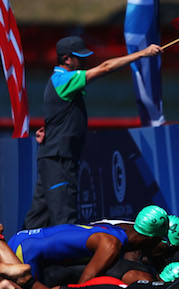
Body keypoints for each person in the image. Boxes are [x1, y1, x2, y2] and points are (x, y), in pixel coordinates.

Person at [25, 36, 163, 229]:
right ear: (66, 59)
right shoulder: (64, 79)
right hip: (59, 159)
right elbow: (105, 68)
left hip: (54, 157)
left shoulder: (62, 82)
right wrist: (142, 54)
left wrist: (47, 129)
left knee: (39, 215)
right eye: (80, 58)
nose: (85, 61)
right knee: (64, 218)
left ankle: (18, 248)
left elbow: (57, 113)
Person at [8, 205, 170, 285]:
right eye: (158, 242)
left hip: (22, 238)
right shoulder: (112, 245)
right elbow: (83, 286)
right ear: (151, 238)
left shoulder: (119, 228)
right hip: (28, 253)